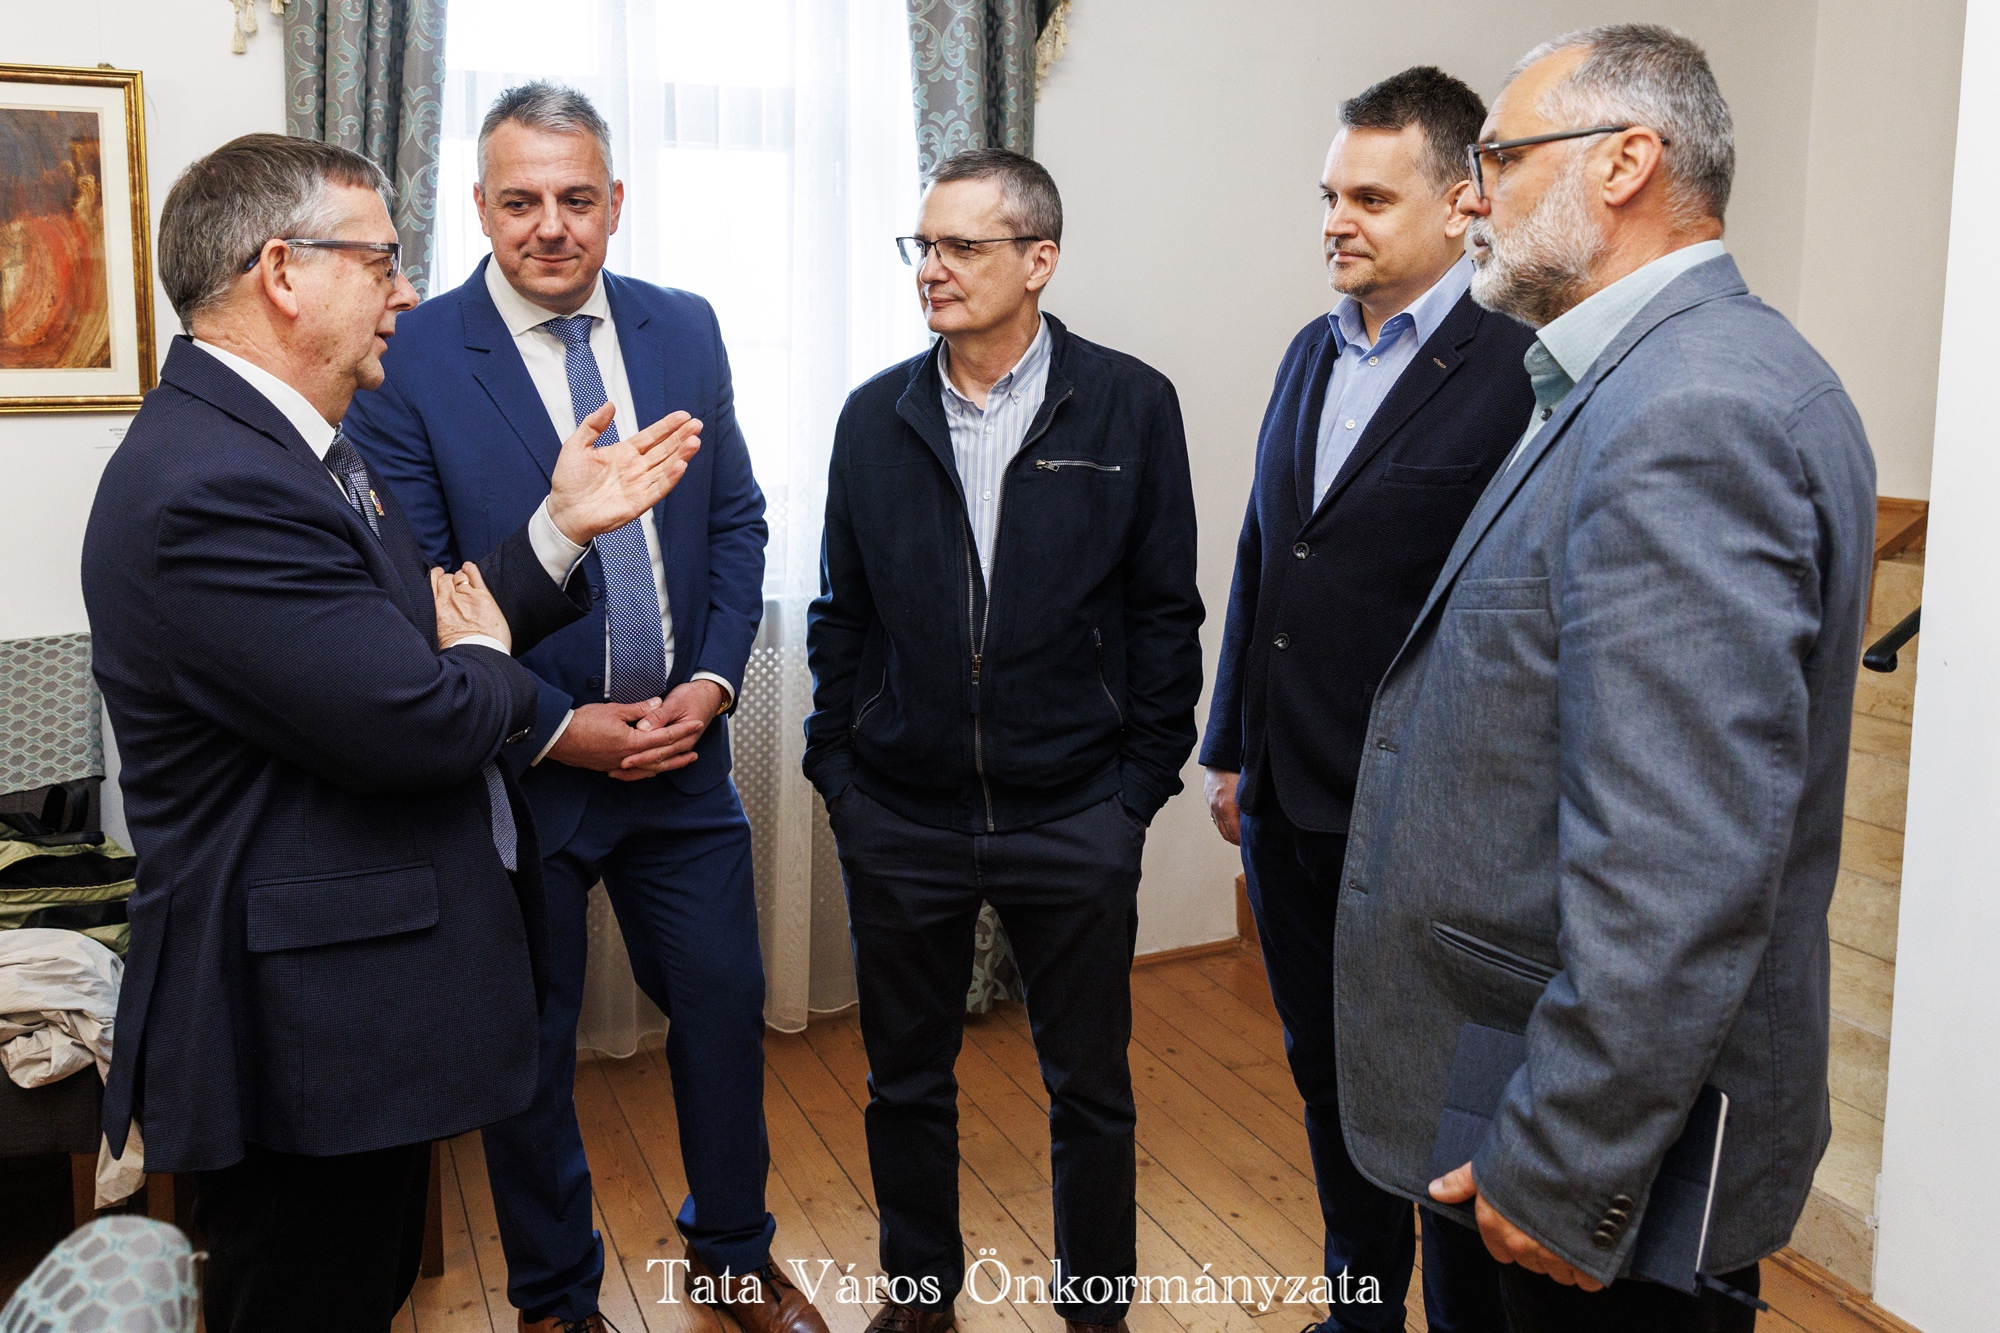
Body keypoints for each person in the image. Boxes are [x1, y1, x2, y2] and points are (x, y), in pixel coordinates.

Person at [82, 133, 703, 1332]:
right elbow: (418, 716)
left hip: (353, 1004)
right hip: (305, 1018)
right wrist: (487, 665)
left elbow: (426, 638)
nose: (406, 292)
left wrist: (559, 531)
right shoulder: (215, 483)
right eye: (380, 261)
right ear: (283, 272)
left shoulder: (295, 444)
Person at [1327, 25, 1875, 1333]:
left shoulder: (1694, 414)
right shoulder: (1638, 376)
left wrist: (1566, 1161)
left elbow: (1679, 856)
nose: (1474, 199)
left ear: (1626, 163)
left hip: (1579, 1153)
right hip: (1512, 1068)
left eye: (1501, 159)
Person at [340, 85, 807, 1333]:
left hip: (683, 760)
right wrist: (555, 727)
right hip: (519, 769)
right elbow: (426, 588)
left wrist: (710, 684)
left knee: (722, 1006)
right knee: (530, 1048)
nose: (551, 224)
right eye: (521, 200)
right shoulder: (408, 355)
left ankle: (733, 1254)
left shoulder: (682, 326)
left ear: (615, 202)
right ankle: (554, 1295)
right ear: (479, 207)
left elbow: (736, 520)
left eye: (576, 197)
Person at [803, 148, 1203, 1333]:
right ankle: (919, 1295)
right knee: (903, 1081)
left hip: (1074, 809)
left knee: (1089, 1087)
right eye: (921, 245)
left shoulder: (1130, 405)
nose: (931, 268)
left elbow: (1162, 612)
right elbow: (841, 613)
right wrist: (839, 769)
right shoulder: (872, 416)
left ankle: (1095, 1308)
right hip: (900, 811)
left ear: (1039, 260)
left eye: (961, 246)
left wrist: (1135, 787)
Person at [1200, 66, 1530, 1333]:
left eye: (1370, 199)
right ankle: (1357, 1310)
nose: (1336, 221)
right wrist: (1231, 749)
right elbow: (1265, 555)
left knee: (1435, 1100)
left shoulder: (1518, 367)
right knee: (1326, 1077)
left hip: (1425, 820)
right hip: (1288, 804)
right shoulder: (1311, 349)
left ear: (1461, 204)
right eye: (1329, 195)